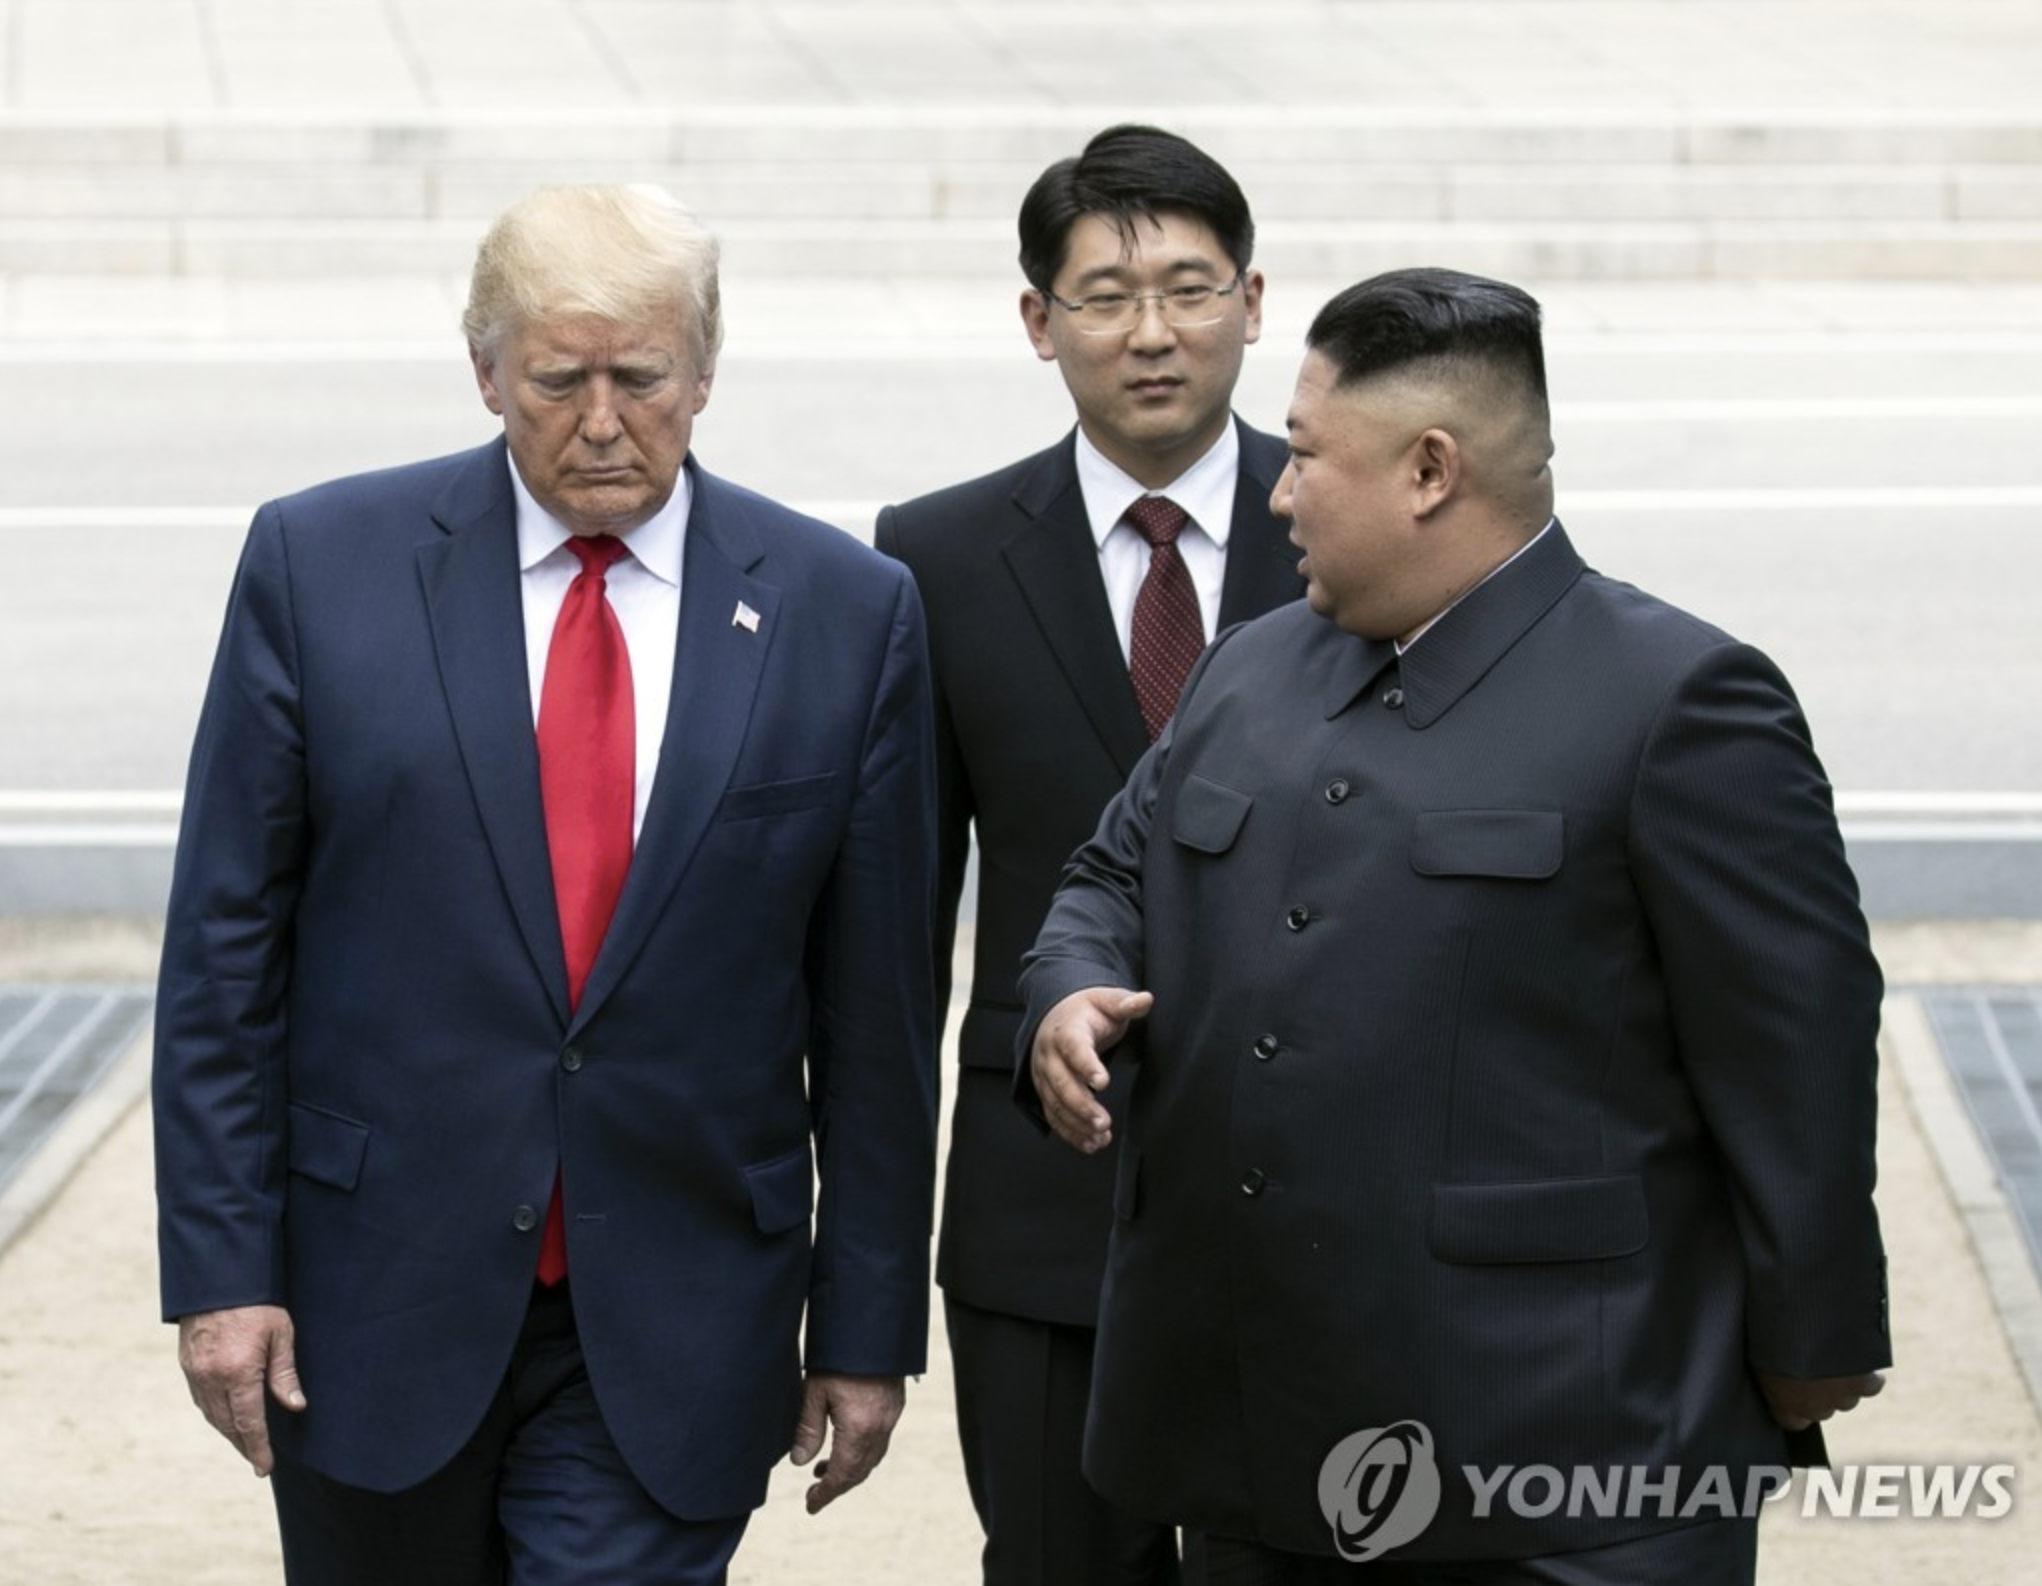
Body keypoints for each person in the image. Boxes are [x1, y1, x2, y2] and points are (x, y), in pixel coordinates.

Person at [1022, 267, 1890, 1584]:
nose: (1276, 493)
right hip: (1254, 1439)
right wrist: (1069, 987)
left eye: (1306, 455)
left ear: (1429, 470)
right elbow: (1111, 875)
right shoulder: (1249, 664)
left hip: (1566, 1458)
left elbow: (1797, 1046)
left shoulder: (1680, 700)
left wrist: (1812, 1338)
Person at [152, 184, 938, 1586]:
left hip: (680, 1308)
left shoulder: (845, 611)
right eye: (558, 381)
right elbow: (226, 952)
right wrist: (223, 1273)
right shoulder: (319, 567)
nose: (602, 421)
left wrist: (865, 1327)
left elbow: (876, 1013)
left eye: (642, 378)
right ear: (485, 372)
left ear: (705, 370)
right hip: (373, 1299)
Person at [875, 124, 1301, 1586]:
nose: (1151, 333)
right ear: (1037, 320)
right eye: (1105, 297)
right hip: (1043, 1194)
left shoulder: (1355, 528)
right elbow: (895, 936)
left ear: (1253, 303)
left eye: (1189, 289)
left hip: (1313, 1195)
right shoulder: (934, 557)